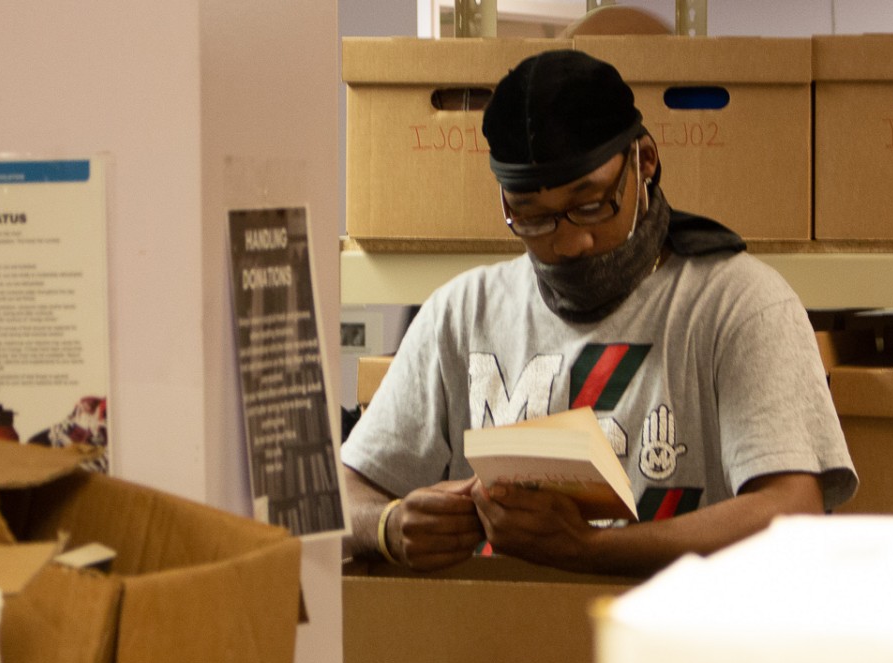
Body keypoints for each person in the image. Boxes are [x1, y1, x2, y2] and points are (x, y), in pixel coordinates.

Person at [340, 49, 855, 577]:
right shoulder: (459, 313)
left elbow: (790, 511)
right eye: (533, 218)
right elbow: (344, 492)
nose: (570, 242)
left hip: (675, 649)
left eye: (590, 205)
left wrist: (587, 550)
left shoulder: (739, 305)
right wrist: (388, 526)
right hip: (492, 645)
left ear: (645, 161)